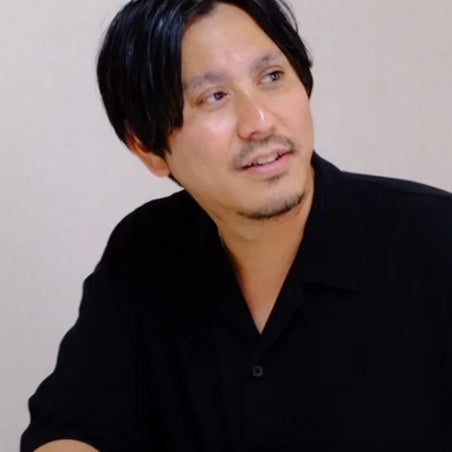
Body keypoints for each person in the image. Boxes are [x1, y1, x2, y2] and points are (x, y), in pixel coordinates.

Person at [21, 0, 452, 451]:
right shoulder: (146, 250)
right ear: (146, 146)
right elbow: (71, 426)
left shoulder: (436, 240)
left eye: (272, 77)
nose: (259, 122)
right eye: (214, 97)